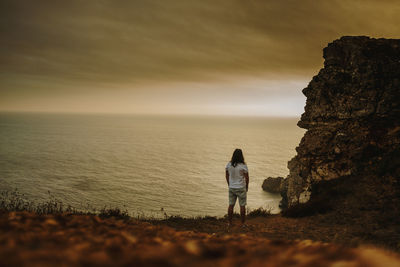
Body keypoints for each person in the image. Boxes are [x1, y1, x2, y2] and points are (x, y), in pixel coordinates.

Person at [225, 148, 249, 227]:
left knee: (231, 205)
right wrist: (246, 187)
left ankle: (229, 223)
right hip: (241, 187)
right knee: (242, 206)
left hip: (232, 187)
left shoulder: (229, 164)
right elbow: (247, 177)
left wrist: (229, 183)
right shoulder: (243, 166)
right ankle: (243, 224)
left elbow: (227, 174)